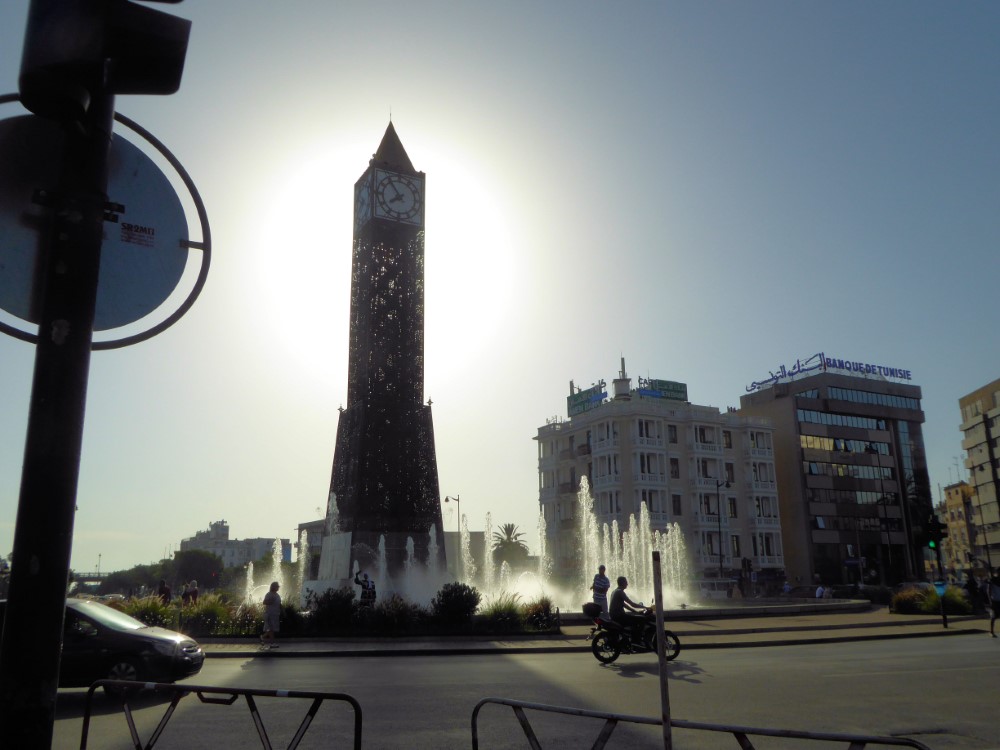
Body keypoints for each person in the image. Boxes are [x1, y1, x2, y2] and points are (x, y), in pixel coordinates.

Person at [262, 581, 281, 648]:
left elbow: (279, 604)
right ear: (273, 587)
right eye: (277, 586)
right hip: (270, 614)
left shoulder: (277, 595)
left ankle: (262, 637)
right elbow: (264, 602)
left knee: (271, 629)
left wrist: (282, 611)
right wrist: (271, 601)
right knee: (271, 629)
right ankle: (272, 643)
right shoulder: (269, 594)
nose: (278, 587)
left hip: (275, 614)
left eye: (278, 586)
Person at [989, 571, 1000, 639]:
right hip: (994, 601)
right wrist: (990, 600)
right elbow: (988, 590)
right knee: (993, 616)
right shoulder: (992, 581)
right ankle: (991, 631)